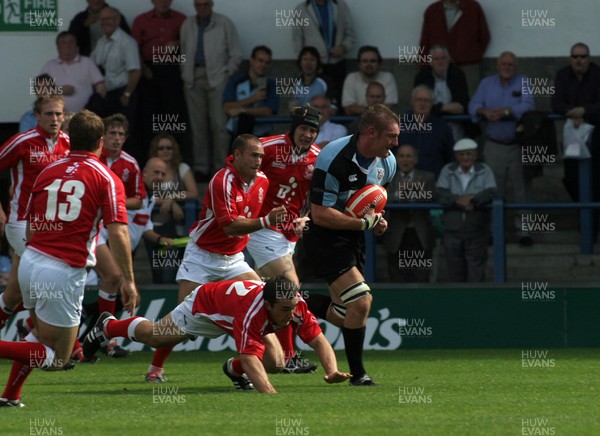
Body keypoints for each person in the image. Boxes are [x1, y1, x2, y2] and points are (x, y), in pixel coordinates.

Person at [0, 110, 136, 408]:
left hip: (30, 259)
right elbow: (119, 233)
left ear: (69, 138)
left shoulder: (48, 170)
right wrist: (129, 279)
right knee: (57, 359)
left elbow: (32, 224)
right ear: (101, 141)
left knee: (38, 336)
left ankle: (10, 395)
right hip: (62, 270)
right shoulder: (107, 178)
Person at [143, 134, 287, 383]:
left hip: (233, 259)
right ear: (238, 155)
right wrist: (266, 221)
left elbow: (255, 218)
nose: (258, 161)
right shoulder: (222, 180)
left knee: (263, 304)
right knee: (180, 323)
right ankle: (155, 367)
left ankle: (238, 367)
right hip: (202, 256)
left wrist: (288, 223)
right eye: (254, 155)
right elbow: (230, 226)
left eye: (261, 156)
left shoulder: (262, 181)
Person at [83, 277, 350, 393]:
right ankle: (108, 326)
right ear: (269, 305)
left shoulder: (292, 304)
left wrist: (332, 370)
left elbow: (318, 339)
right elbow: (250, 358)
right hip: (204, 307)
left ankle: (231, 371)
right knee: (156, 336)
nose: (291, 315)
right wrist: (270, 395)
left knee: (277, 363)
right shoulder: (252, 312)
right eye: (285, 310)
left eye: (293, 308)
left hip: (230, 308)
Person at [302, 104, 399, 386]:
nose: (395, 143)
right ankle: (359, 375)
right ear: (371, 133)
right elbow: (319, 213)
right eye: (391, 136)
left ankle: (297, 302)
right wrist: (362, 224)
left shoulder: (387, 162)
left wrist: (380, 221)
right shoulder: (333, 157)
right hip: (323, 236)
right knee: (361, 300)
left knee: (347, 312)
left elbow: (377, 200)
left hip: (353, 237)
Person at [0, 95, 70, 331]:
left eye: (59, 114)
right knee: (48, 273)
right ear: (37, 116)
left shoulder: (70, 144)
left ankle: (27, 326)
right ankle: (39, 330)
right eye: (49, 114)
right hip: (21, 223)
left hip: (54, 226)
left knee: (16, 291)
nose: (54, 118)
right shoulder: (22, 141)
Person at [91, 114, 145, 355]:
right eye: (112, 133)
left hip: (109, 225)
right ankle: (32, 327)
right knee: (108, 277)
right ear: (103, 137)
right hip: (90, 225)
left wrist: (112, 200)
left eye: (121, 134)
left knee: (112, 278)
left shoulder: (130, 164)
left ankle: (106, 340)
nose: (116, 138)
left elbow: (139, 199)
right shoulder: (94, 158)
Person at [468, 51, 535, 245]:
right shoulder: (486, 84)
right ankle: (495, 232)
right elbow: (473, 105)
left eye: (511, 65)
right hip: (493, 144)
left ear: (516, 67)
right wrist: (484, 112)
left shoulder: (523, 81)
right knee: (494, 189)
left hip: (517, 145)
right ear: (498, 66)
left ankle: (524, 231)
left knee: (521, 190)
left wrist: (508, 112)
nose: (507, 67)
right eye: (504, 64)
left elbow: (529, 105)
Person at [180, 0, 243, 181]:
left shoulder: (224, 23)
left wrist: (227, 73)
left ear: (212, 4)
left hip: (217, 77)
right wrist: (185, 71)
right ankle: (200, 167)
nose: (202, 8)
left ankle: (220, 166)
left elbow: (236, 53)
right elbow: (183, 50)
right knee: (198, 126)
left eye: (205, 4)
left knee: (219, 124)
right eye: (198, 4)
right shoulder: (187, 24)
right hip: (193, 77)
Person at [132, 0, 188, 157]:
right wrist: (143, 68)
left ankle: (176, 161)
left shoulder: (181, 19)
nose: (163, 2)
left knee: (174, 116)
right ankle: (149, 160)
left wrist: (178, 43)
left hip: (173, 70)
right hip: (149, 72)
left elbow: (190, 43)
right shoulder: (141, 20)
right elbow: (133, 48)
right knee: (149, 117)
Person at [436, 138, 496, 282]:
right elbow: (440, 194)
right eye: (461, 154)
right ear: (456, 156)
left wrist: (472, 200)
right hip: (452, 229)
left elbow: (490, 193)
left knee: (476, 271)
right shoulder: (448, 170)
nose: (465, 157)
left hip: (476, 229)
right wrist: (458, 201)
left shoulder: (484, 170)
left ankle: (476, 303)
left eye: (469, 154)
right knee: (454, 270)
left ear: (475, 155)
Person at [90, 7, 141, 160]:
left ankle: (126, 169)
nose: (106, 22)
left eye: (109, 19)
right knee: (106, 133)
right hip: (106, 96)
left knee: (123, 135)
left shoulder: (127, 42)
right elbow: (93, 64)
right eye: (103, 19)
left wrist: (126, 94)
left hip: (123, 94)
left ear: (118, 20)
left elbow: (136, 71)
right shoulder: (101, 41)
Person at [551, 42, 600, 204]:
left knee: (596, 179)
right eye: (575, 56)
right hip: (572, 135)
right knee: (571, 178)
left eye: (583, 56)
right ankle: (585, 215)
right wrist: (573, 112)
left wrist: (584, 111)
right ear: (570, 58)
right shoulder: (562, 75)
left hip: (596, 135)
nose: (579, 60)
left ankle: (591, 223)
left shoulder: (597, 73)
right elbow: (556, 103)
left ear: (589, 58)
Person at [384, 144, 436, 282]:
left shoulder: (427, 177)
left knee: (421, 276)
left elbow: (432, 196)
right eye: (401, 156)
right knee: (397, 276)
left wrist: (414, 192)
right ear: (396, 159)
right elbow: (383, 197)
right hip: (397, 234)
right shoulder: (388, 178)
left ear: (415, 159)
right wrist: (399, 194)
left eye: (408, 156)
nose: (405, 160)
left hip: (420, 233)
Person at [292, 0, 355, 105]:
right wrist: (305, 63)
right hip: (314, 66)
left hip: (337, 63)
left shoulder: (340, 6)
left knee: (336, 103)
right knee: (314, 102)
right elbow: (297, 40)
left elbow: (350, 34)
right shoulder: (301, 9)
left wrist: (343, 47)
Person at [419, 0, 490, 89]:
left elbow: (484, 36)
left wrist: (472, 55)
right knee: (440, 98)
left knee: (468, 99)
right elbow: (424, 42)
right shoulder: (432, 10)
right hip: (440, 67)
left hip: (468, 66)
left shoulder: (473, 8)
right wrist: (425, 66)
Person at [413, 44, 470, 141]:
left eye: (443, 58)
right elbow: (419, 106)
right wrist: (444, 107)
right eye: (436, 59)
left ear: (448, 60)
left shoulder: (457, 75)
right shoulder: (422, 77)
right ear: (430, 61)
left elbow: (461, 106)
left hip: (455, 128)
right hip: (429, 127)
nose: (440, 62)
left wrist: (434, 108)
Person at [40, 31, 107, 113]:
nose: (68, 45)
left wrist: (94, 108)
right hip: (57, 119)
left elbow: (101, 88)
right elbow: (39, 92)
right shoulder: (50, 66)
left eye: (71, 42)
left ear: (76, 45)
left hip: (84, 118)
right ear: (58, 47)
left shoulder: (87, 62)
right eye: (64, 42)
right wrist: (59, 90)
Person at [223, 45, 280, 140]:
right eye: (260, 60)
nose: (263, 65)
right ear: (252, 60)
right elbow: (227, 108)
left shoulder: (271, 85)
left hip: (262, 136)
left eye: (267, 62)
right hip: (238, 135)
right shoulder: (236, 81)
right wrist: (252, 99)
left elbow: (268, 111)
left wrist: (242, 110)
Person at [148, 133, 198, 238]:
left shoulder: (182, 168)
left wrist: (172, 197)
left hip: (180, 225)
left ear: (174, 150)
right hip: (155, 226)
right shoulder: (150, 170)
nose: (165, 151)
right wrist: (171, 203)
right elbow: (149, 197)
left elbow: (193, 193)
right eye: (161, 148)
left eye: (169, 148)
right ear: (155, 151)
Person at [400, 85, 454, 177]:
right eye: (419, 100)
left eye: (426, 100)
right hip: (402, 182)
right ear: (412, 102)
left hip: (434, 182)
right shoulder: (399, 126)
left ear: (432, 103)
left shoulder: (443, 128)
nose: (422, 103)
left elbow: (450, 157)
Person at [342, 46, 398, 115]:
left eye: (373, 61)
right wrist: (376, 109)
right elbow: (348, 109)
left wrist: (363, 109)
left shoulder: (388, 77)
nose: (369, 64)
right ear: (359, 64)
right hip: (357, 120)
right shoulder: (351, 78)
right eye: (365, 61)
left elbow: (390, 106)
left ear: (379, 64)